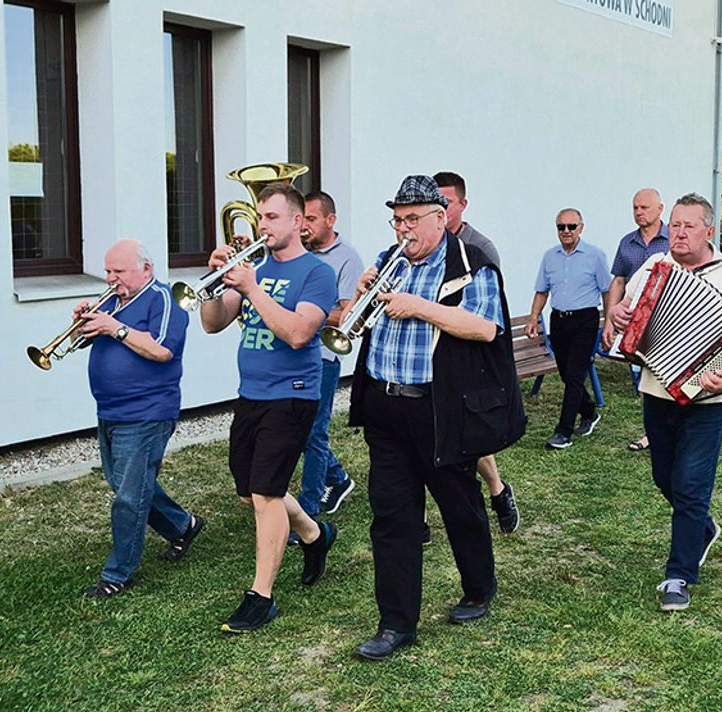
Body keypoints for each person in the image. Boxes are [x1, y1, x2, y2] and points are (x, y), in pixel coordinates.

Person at [346, 175, 524, 660]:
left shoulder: (471, 263)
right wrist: (358, 296)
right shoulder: (388, 262)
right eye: (397, 220)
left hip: (437, 406)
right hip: (386, 405)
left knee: (458, 502)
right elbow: (356, 320)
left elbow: (486, 327)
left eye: (412, 220)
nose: (402, 230)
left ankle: (479, 586)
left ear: (440, 217)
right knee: (391, 515)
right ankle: (396, 624)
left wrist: (421, 307)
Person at [199, 182, 339, 633]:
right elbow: (214, 325)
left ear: (297, 222)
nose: (263, 225)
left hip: (293, 393)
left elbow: (299, 333)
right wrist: (214, 286)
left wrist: (253, 288)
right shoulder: (252, 267)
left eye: (273, 217)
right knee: (251, 490)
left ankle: (261, 597)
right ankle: (315, 534)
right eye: (261, 217)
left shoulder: (316, 273)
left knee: (265, 494)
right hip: (252, 394)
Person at [609, 193, 722, 611]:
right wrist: (619, 316)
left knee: (691, 483)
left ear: (709, 231)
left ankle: (679, 575)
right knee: (663, 477)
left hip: (707, 397)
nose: (679, 233)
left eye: (689, 226)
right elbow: (629, 312)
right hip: (657, 387)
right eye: (674, 225)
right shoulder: (655, 268)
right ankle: (701, 528)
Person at [77, 239, 203, 598]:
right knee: (125, 484)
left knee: (129, 496)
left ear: (146, 269)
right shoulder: (114, 302)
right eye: (107, 271)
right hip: (111, 409)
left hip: (147, 412)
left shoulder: (163, 299)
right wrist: (84, 326)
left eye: (119, 271)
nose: (110, 278)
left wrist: (113, 328)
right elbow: (101, 341)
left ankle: (118, 573)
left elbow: (163, 350)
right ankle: (183, 525)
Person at [433, 171, 519, 534]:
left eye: (445, 204)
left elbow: (486, 317)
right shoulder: (422, 247)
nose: (439, 211)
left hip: (468, 357)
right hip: (433, 360)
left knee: (469, 440)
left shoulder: (480, 250)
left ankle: (498, 490)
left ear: (462, 206)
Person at [296, 190, 363, 526]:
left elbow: (348, 315)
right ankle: (338, 477)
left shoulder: (348, 258)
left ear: (330, 220)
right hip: (292, 351)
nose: (303, 226)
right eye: (301, 219)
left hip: (323, 354)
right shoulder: (296, 253)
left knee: (314, 431)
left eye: (310, 219)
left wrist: (306, 311)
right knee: (300, 428)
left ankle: (309, 508)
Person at [527, 208, 612, 450]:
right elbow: (542, 290)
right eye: (561, 227)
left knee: (575, 375)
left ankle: (563, 432)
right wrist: (534, 317)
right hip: (559, 321)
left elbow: (607, 291)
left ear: (581, 228)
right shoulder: (549, 257)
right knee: (566, 375)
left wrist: (608, 323)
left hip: (585, 320)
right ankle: (588, 412)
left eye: (571, 226)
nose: (566, 231)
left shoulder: (595, 256)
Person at [601, 187, 670, 452]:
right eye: (635, 208)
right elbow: (617, 281)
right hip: (633, 321)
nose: (639, 212)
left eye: (645, 207)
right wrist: (610, 319)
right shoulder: (626, 243)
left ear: (660, 209)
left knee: (665, 372)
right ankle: (650, 431)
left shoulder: (671, 241)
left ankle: (668, 428)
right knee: (645, 375)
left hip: (665, 320)